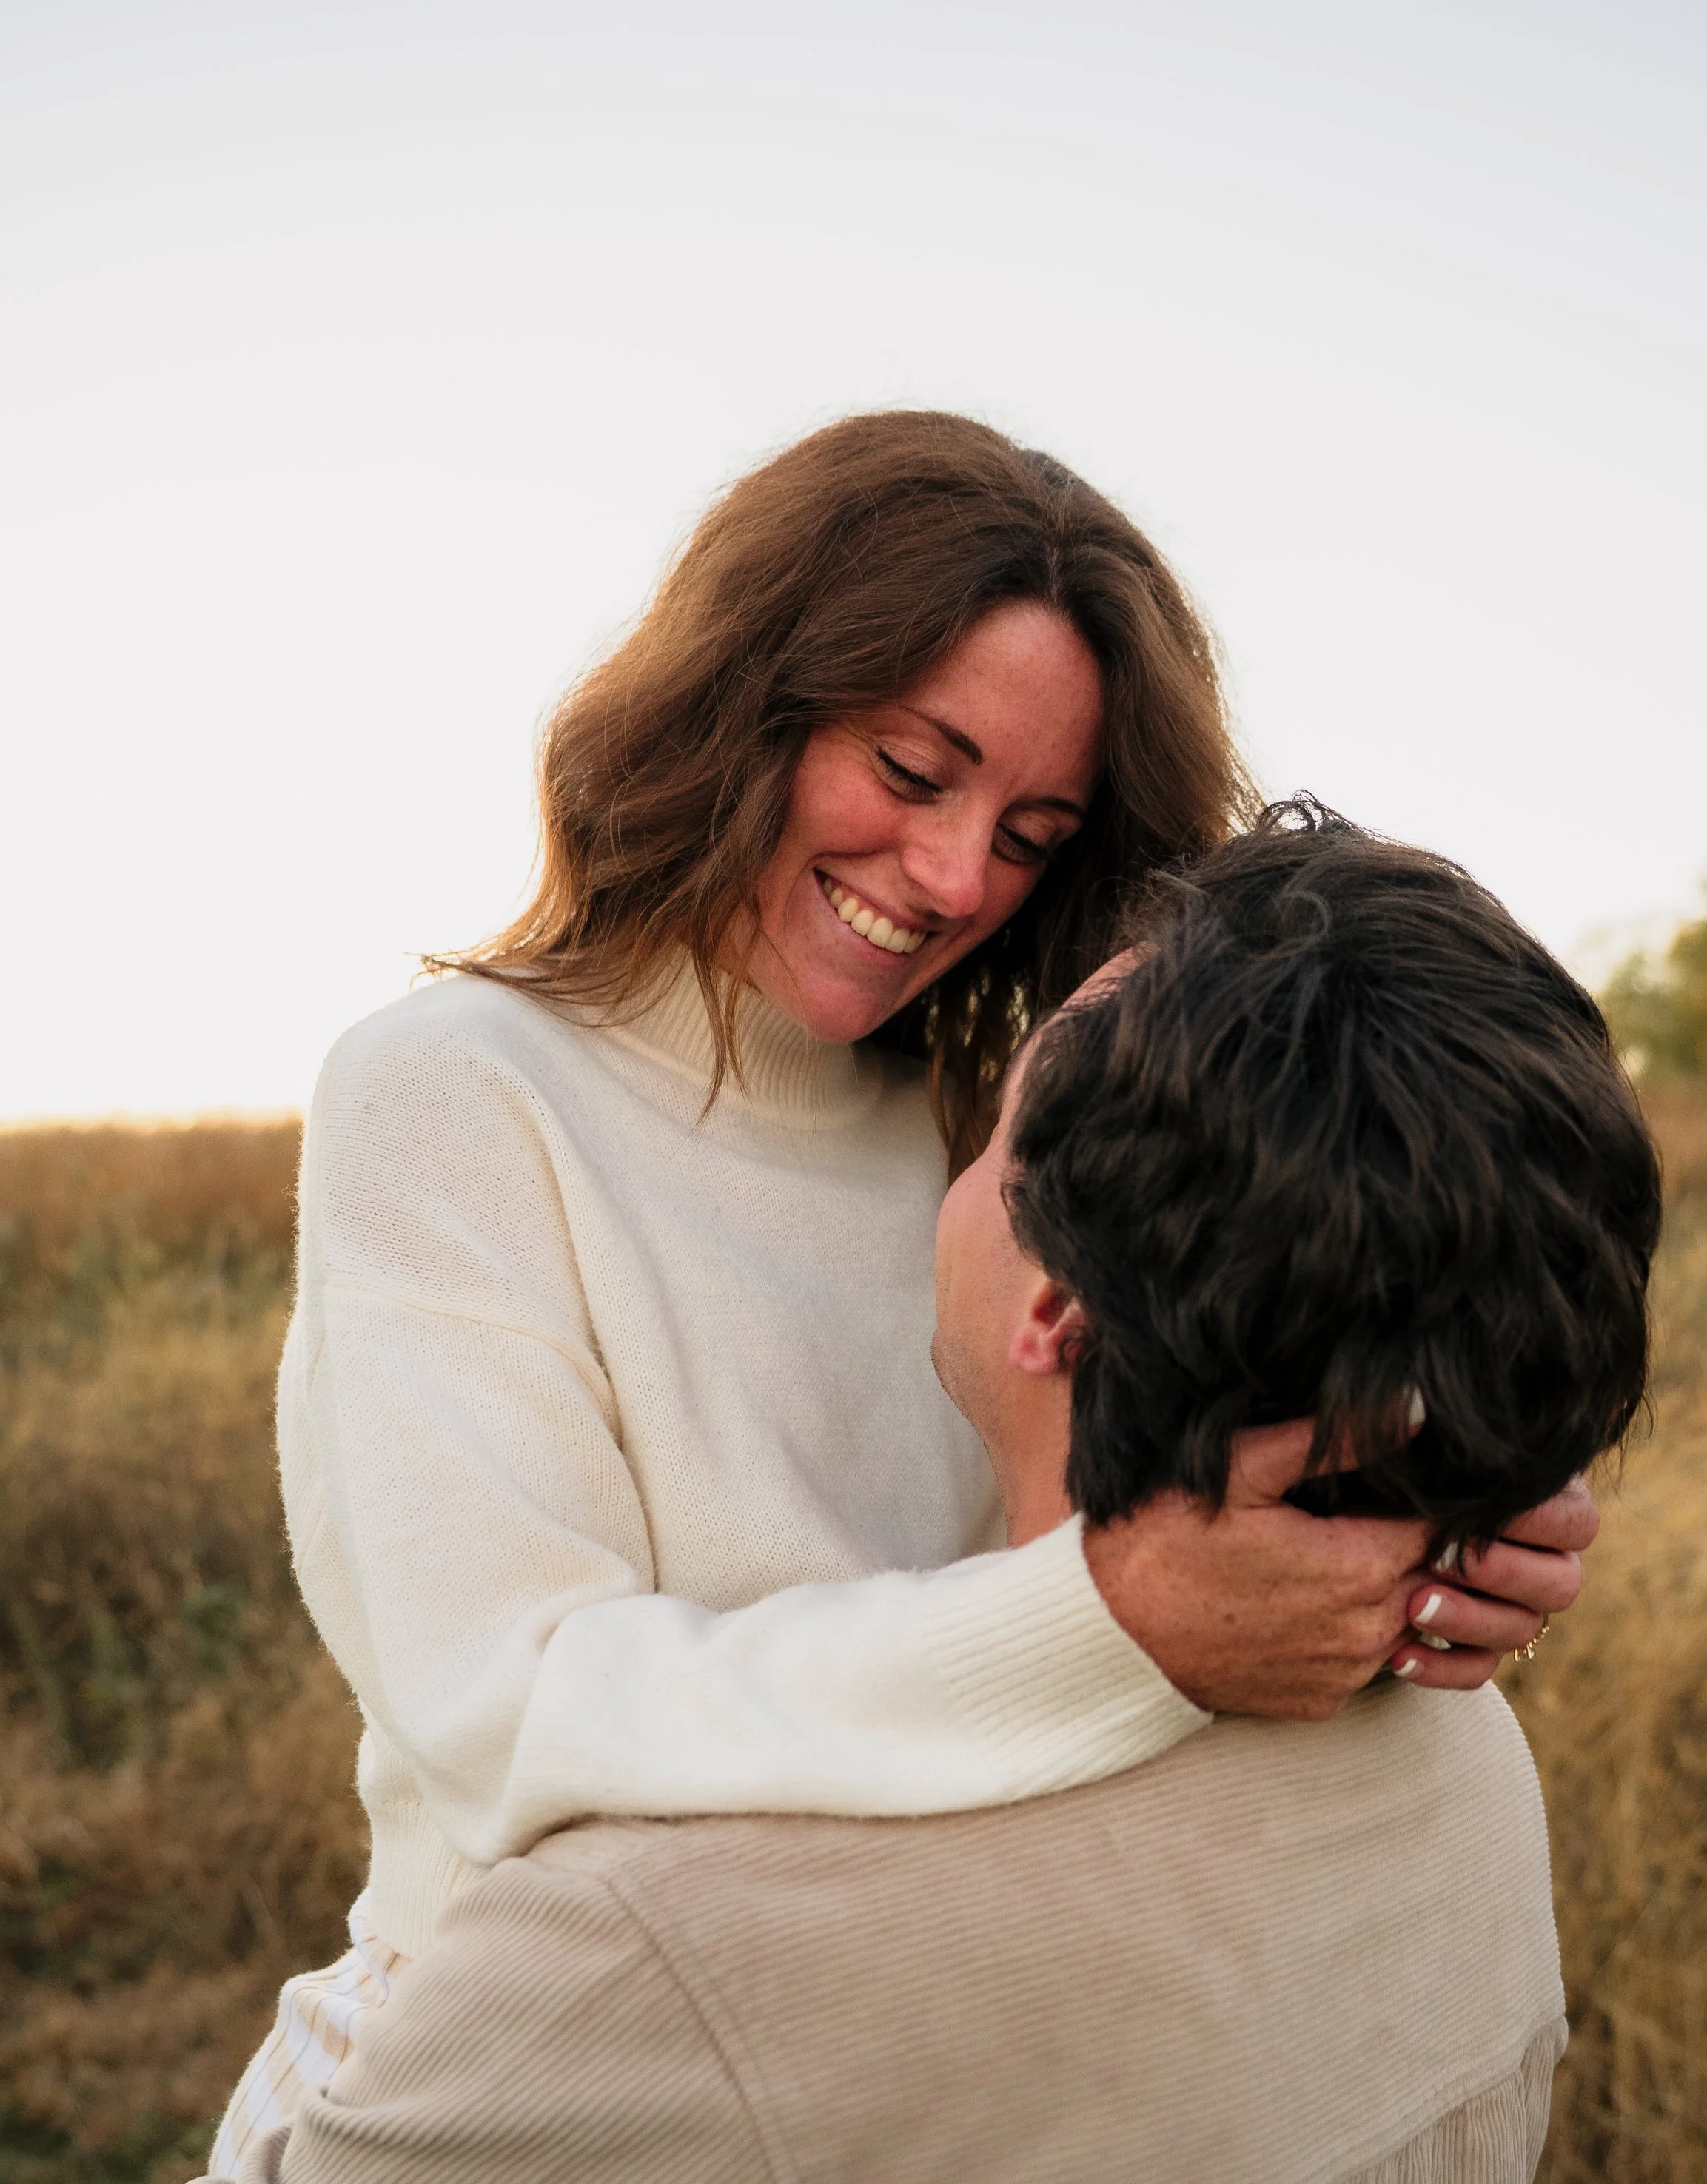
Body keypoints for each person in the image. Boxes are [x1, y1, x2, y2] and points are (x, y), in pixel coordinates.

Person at [212, 418, 1590, 2165]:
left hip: (928, 2014)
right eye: (911, 768)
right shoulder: (456, 1089)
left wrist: (1432, 1507)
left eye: (1029, 831)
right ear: (742, 697)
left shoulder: (992, 1127)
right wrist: (1111, 1616)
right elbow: (508, 1713)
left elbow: (1144, 1498)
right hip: (543, 2055)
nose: (952, 882)